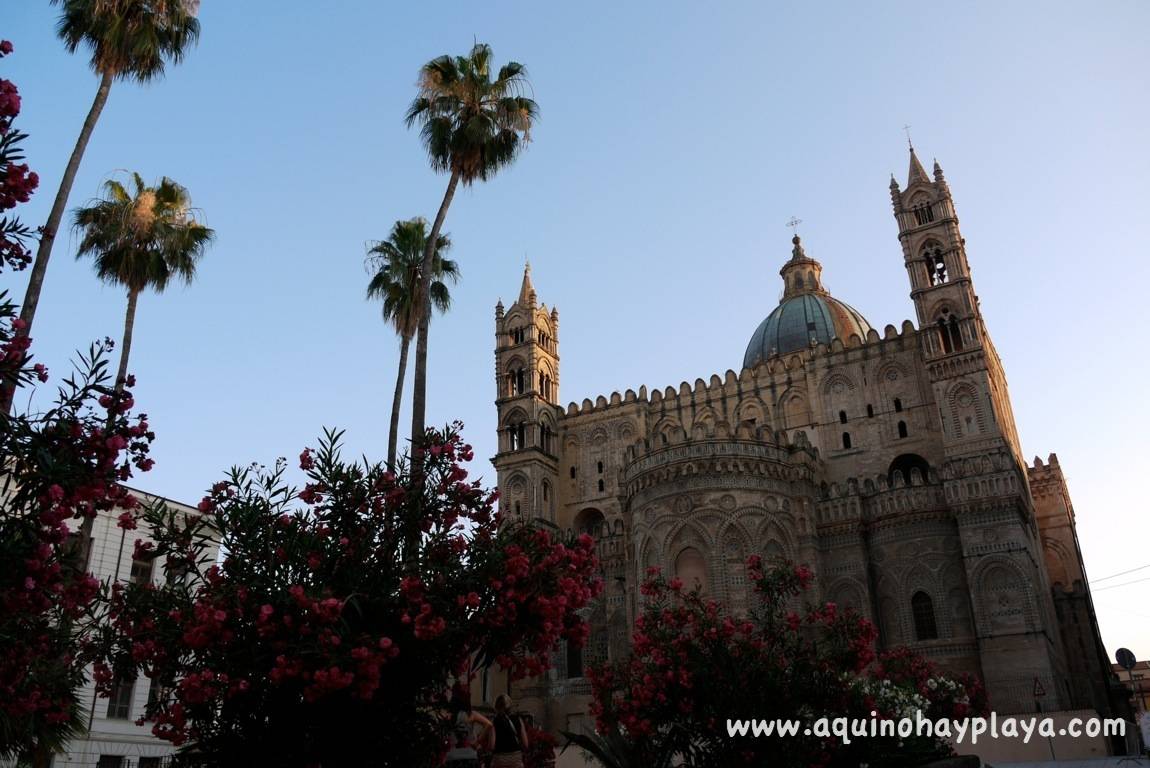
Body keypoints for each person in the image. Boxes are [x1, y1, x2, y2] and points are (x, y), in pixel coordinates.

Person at [443, 685, 492, 767]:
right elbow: (489, 724)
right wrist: (477, 742)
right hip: (470, 755)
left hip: (452, 756)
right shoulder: (471, 715)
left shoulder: (448, 716)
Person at [489, 693, 529, 768]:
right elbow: (526, 744)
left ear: (497, 706)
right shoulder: (518, 719)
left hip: (499, 758)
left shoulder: (495, 721)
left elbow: (491, 746)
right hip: (515, 758)